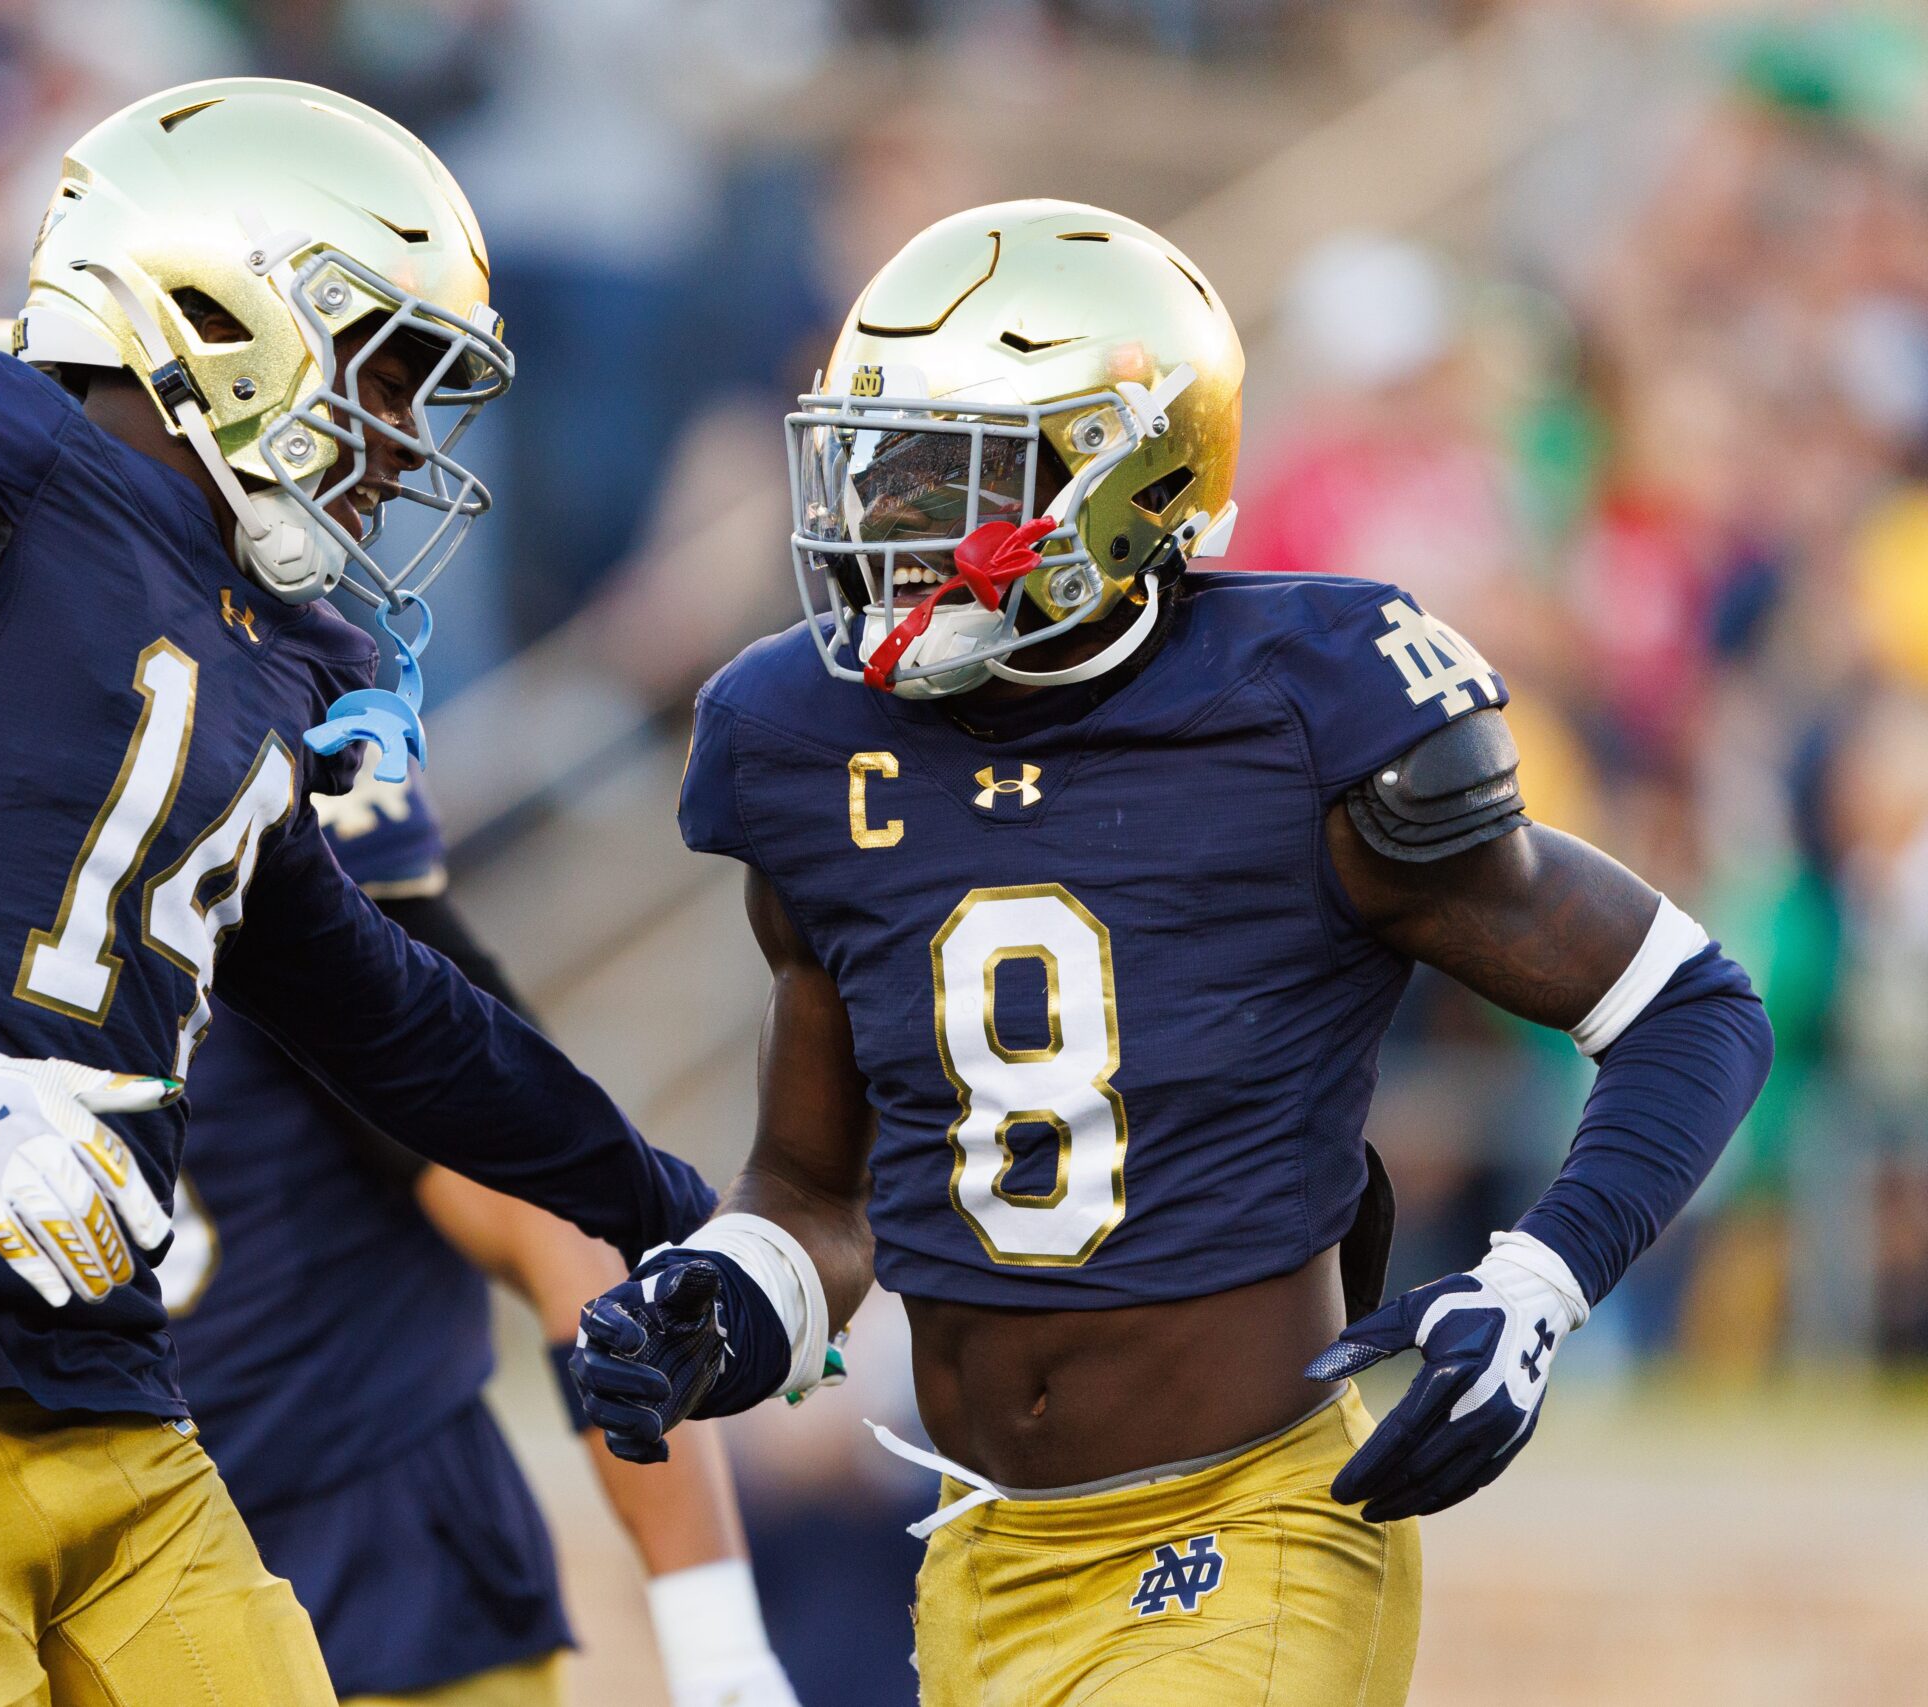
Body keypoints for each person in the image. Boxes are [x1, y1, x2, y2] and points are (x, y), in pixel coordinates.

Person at [0, 79, 712, 1707]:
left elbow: (385, 1012)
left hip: (104, 1398)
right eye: (385, 369)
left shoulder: (246, 636)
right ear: (222, 309)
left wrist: (679, 1212)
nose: (404, 444)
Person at [567, 202, 1774, 1705]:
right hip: (982, 1548)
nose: (883, 518)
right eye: (874, 465)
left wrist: (1538, 1280)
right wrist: (725, 1294)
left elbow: (1687, 1004)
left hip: (1245, 1525)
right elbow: (816, 1192)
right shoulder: (800, 739)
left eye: (948, 473)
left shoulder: (1306, 706)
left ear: (1124, 483)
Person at [171, 764, 795, 1707]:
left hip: (373, 1559)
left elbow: (561, 1231)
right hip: (114, 1556)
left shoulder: (234, 799)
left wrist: (719, 1654)